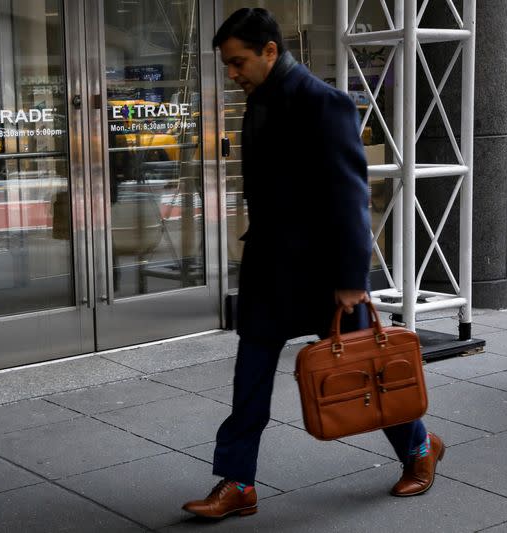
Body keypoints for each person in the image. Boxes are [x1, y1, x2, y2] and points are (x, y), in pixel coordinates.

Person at [181, 8, 443, 520]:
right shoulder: (257, 100)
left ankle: (418, 448)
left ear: (270, 51)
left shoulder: (325, 105)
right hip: (268, 271)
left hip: (326, 278)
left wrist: (351, 279)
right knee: (250, 376)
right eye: (228, 65)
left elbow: (350, 196)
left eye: (238, 62)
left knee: (372, 370)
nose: (232, 73)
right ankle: (237, 482)